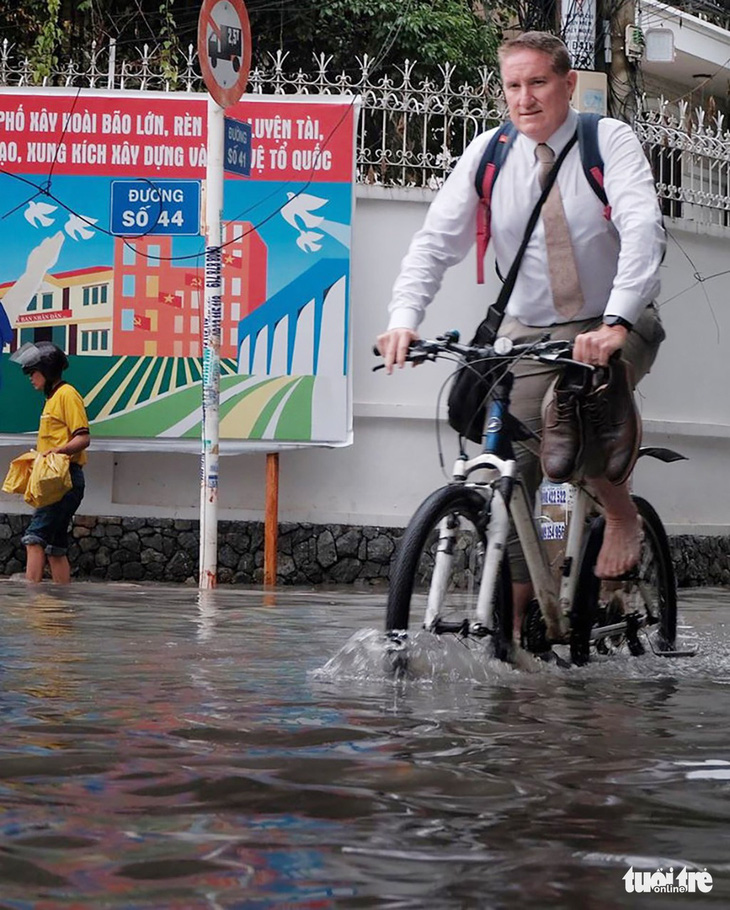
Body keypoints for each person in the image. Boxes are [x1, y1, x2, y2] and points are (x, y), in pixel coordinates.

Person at [376, 31, 666, 644]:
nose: (525, 98)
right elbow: (434, 245)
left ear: (566, 85)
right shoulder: (489, 154)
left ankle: (620, 514)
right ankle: (515, 630)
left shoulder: (605, 141)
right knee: (513, 459)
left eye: (537, 83)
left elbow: (642, 230)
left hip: (616, 312)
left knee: (582, 401)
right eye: (513, 86)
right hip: (530, 327)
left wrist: (614, 323)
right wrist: (404, 318)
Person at [10, 341, 90, 584]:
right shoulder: (52, 398)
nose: (31, 378)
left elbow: (83, 437)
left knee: (34, 539)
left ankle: (31, 601)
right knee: (55, 547)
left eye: (33, 373)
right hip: (57, 481)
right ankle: (60, 605)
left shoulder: (67, 395)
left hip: (63, 481)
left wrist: (59, 451)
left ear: (47, 371)